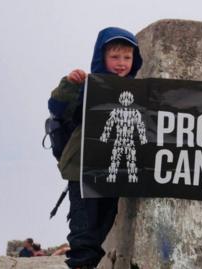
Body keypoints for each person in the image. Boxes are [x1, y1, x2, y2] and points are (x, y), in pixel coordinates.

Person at [48, 27, 143, 269]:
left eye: (127, 57)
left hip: (113, 171)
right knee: (84, 226)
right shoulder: (86, 85)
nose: (121, 63)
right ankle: (81, 265)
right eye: (115, 57)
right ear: (102, 58)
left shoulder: (140, 92)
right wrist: (70, 84)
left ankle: (87, 263)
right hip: (83, 168)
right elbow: (58, 107)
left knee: (103, 222)